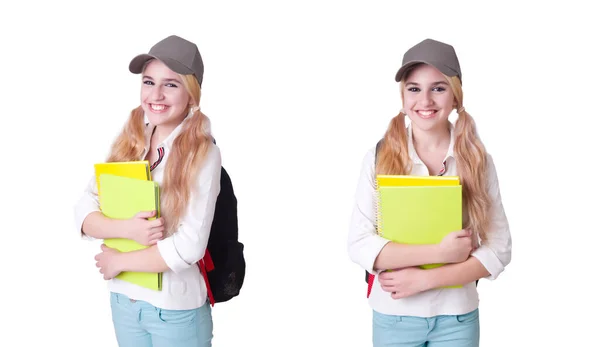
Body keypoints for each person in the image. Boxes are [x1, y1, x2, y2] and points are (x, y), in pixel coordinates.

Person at [347, 38, 512, 347]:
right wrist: (440, 253)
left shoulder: (478, 162)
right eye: (414, 88)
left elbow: (499, 249)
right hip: (394, 317)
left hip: (457, 319)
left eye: (438, 88)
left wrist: (426, 278)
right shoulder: (378, 157)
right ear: (403, 97)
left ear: (455, 96)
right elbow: (359, 244)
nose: (425, 100)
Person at [73, 35, 220, 347]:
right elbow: (85, 207)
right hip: (124, 302)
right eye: (149, 82)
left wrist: (120, 262)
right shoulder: (132, 135)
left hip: (174, 310)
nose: (156, 94)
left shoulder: (203, 153)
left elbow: (189, 246)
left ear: (191, 94)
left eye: (171, 84)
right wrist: (126, 229)